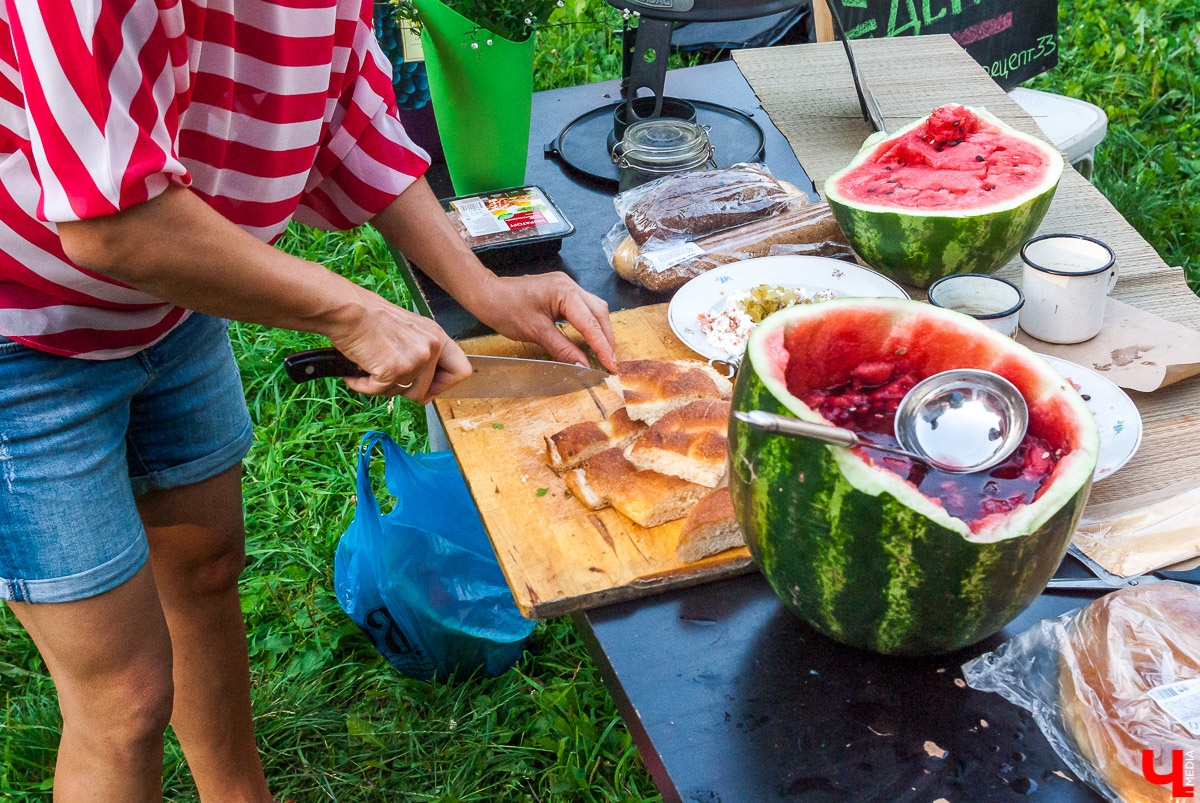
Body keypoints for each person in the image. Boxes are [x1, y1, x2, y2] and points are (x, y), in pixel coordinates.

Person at [0, 0, 617, 798]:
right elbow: (113, 225)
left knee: (207, 564)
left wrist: (483, 289)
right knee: (123, 698)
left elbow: (347, 114)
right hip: (22, 329)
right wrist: (350, 311)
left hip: (175, 299)